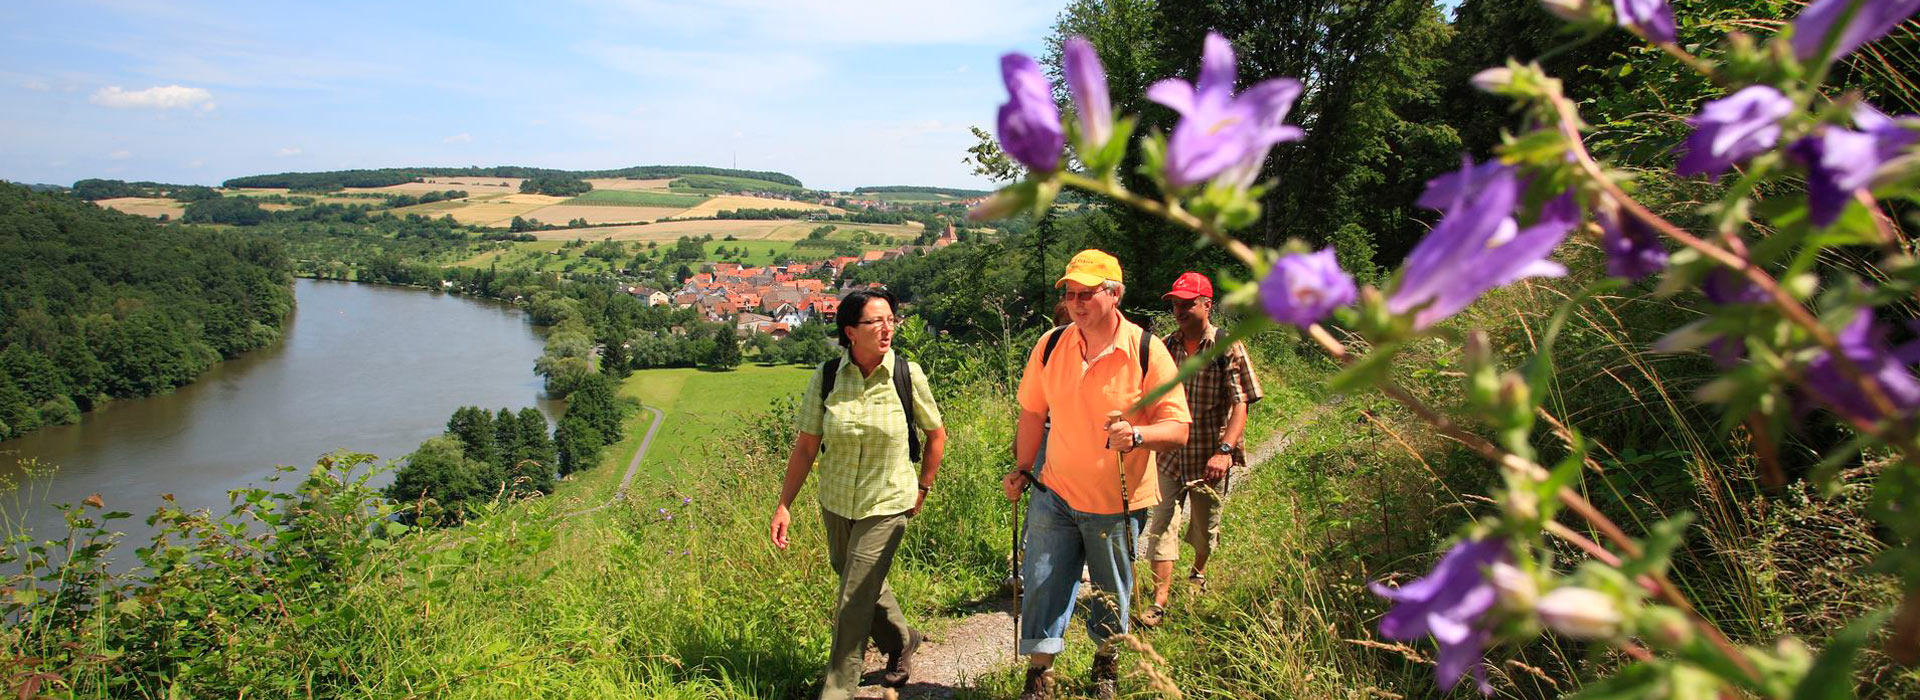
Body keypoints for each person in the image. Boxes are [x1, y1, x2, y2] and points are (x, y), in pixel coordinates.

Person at [1001, 250, 1190, 700]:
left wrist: (1138, 435)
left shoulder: (1146, 350)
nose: (1077, 302)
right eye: (1070, 293)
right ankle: (1039, 676)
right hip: (1055, 492)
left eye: (1087, 293)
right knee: (1044, 581)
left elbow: (1178, 427)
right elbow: (1032, 412)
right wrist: (1023, 469)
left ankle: (1105, 664)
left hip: (1115, 502)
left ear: (1115, 294)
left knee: (1111, 592)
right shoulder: (1051, 345)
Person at [770, 287, 948, 700]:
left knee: (853, 597)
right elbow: (806, 446)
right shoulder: (828, 376)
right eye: (875, 321)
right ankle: (902, 641)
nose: (887, 328)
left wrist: (923, 487)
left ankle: (838, 689)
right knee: (854, 576)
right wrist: (784, 505)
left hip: (888, 501)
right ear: (850, 331)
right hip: (836, 498)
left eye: (891, 319)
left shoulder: (907, 374)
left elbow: (936, 435)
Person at [1136, 272, 1263, 628]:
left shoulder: (1228, 347)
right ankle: (1159, 600)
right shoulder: (1164, 347)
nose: (1179, 309)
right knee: (1161, 525)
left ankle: (1198, 572)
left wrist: (1224, 451)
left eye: (1187, 303)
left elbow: (1241, 403)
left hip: (1210, 456)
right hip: (1169, 456)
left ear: (1207, 305)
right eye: (1175, 303)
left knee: (1204, 528)